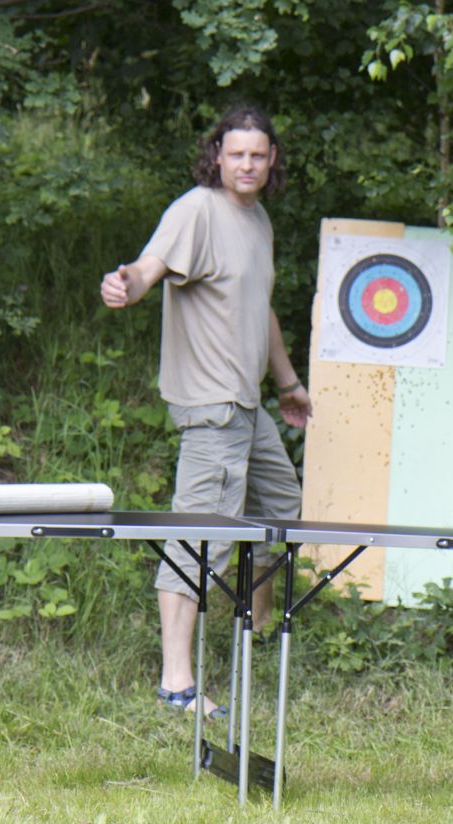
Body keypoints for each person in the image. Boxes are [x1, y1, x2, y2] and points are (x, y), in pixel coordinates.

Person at [98, 105, 310, 719]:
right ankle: (176, 685)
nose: (247, 165)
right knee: (198, 534)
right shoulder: (196, 210)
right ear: (217, 155)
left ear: (272, 160)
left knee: (280, 504)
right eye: (236, 153)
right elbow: (149, 268)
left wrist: (288, 383)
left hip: (247, 402)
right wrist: (126, 285)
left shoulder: (259, 219)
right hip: (212, 405)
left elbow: (260, 308)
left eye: (258, 155)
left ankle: (256, 629)